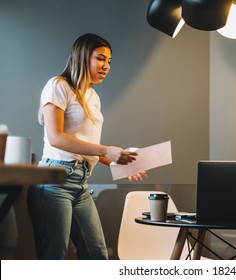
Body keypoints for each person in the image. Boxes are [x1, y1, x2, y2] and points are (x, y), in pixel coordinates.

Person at [28, 33, 146, 260]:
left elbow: (87, 145)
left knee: (97, 255)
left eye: (109, 61)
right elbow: (56, 138)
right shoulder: (58, 85)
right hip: (55, 181)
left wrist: (120, 161)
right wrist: (106, 151)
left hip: (80, 183)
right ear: (82, 56)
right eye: (100, 59)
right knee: (55, 257)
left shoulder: (92, 96)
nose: (106, 66)